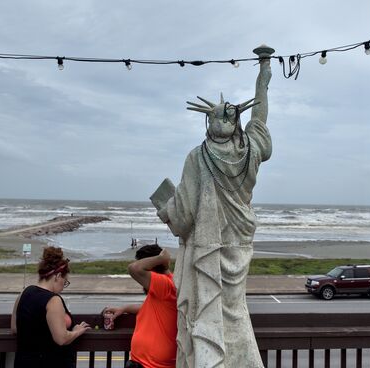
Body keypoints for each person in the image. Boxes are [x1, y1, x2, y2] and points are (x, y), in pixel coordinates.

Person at [153, 46, 273, 367]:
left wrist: (165, 208)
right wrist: (264, 72)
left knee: (206, 311)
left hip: (207, 248)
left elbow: (182, 218)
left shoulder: (197, 157)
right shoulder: (250, 152)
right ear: (237, 123)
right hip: (239, 245)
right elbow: (260, 114)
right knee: (234, 309)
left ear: (208, 123)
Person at [11, 247, 90, 368]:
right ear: (58, 276)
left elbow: (15, 328)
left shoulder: (24, 293)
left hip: (24, 362)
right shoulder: (53, 300)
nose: (63, 287)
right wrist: (76, 332)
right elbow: (61, 339)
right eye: (65, 282)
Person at [102, 244, 177, 368]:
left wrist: (161, 258)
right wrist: (124, 308)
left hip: (153, 365)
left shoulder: (165, 284)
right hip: (143, 363)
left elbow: (134, 269)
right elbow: (150, 308)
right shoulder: (166, 287)